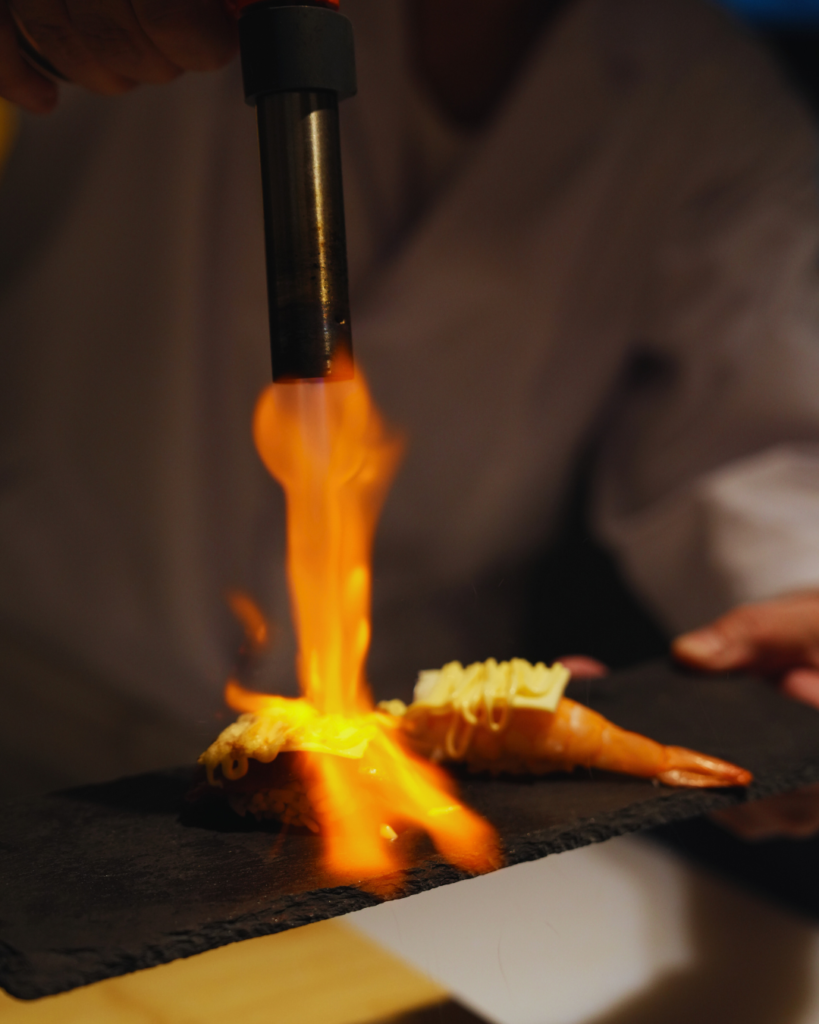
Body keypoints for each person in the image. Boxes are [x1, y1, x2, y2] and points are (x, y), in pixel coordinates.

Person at [0, 0, 818, 839]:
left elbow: (759, 439)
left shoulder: (705, 92)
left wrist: (796, 605)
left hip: (404, 761)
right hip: (34, 695)